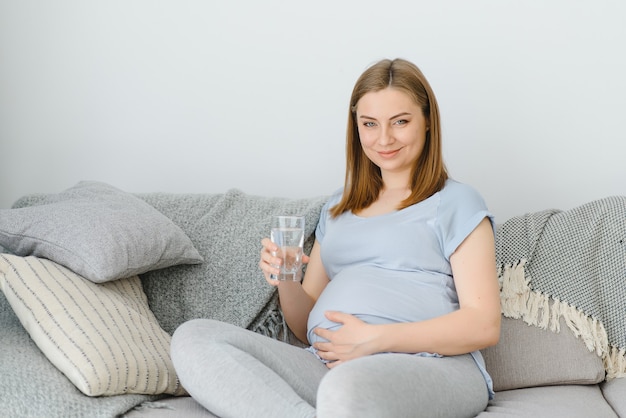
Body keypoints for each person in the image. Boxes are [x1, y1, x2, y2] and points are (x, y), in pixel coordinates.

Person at [171, 58, 501, 418]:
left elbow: (483, 323)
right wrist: (286, 277)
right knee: (194, 338)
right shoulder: (337, 208)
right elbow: (303, 324)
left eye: (400, 122)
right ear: (356, 127)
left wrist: (376, 339)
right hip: (327, 365)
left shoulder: (456, 202)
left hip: (430, 365)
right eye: (370, 124)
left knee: (346, 390)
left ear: (426, 123)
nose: (384, 138)